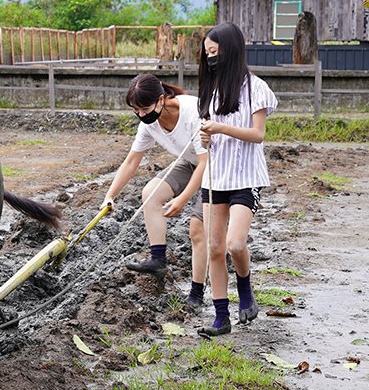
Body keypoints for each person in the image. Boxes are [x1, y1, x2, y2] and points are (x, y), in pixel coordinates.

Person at [196, 22, 278, 337]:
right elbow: (206, 136)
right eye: (207, 54)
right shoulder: (210, 89)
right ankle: (221, 317)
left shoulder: (256, 87)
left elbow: (257, 135)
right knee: (214, 247)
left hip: (245, 178)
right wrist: (205, 138)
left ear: (229, 50)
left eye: (214, 52)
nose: (210, 59)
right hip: (215, 178)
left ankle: (244, 288)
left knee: (234, 243)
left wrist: (220, 128)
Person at [101, 73, 208, 310]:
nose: (141, 115)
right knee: (151, 192)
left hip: (215, 165)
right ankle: (158, 259)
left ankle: (197, 292)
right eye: (135, 110)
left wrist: (183, 198)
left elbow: (205, 163)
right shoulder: (149, 124)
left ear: (161, 100)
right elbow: (131, 162)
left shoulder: (193, 112)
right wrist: (110, 196)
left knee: (197, 229)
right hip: (190, 162)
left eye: (144, 108)